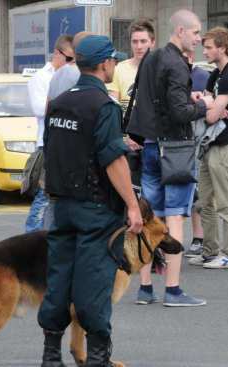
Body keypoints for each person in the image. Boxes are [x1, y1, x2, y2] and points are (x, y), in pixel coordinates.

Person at [37, 35, 141, 367]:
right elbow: (114, 160)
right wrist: (134, 205)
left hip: (62, 206)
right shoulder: (103, 105)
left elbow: (49, 150)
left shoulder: (59, 103)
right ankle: (98, 360)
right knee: (94, 283)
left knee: (59, 280)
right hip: (96, 210)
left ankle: (51, 357)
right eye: (113, 60)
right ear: (105, 63)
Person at [126, 9, 213, 307]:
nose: (199, 39)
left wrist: (188, 98)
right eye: (195, 32)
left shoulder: (151, 57)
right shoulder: (177, 63)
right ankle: (173, 290)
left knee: (151, 217)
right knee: (176, 216)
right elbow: (179, 113)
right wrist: (204, 106)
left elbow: (153, 97)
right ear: (180, 31)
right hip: (174, 149)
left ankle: (145, 288)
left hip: (149, 147)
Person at [187, 27, 228, 269]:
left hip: (226, 148)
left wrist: (208, 107)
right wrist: (208, 105)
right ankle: (210, 251)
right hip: (210, 147)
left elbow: (210, 116)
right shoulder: (216, 74)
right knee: (202, 202)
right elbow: (208, 103)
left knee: (225, 204)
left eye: (209, 47)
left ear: (222, 48)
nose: (205, 51)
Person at [42, 31, 94, 231]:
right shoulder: (80, 75)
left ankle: (46, 246)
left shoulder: (59, 73)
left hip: (56, 147)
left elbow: (48, 112)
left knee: (54, 203)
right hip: (74, 150)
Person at [25, 34, 74, 232]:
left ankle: (47, 238)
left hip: (66, 140)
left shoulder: (72, 74)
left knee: (57, 195)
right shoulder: (41, 77)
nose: (71, 63)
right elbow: (38, 109)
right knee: (46, 193)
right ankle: (33, 234)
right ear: (57, 53)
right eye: (69, 58)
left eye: (74, 59)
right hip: (48, 141)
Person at [107, 18, 155, 151]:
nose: (139, 46)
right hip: (125, 143)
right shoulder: (118, 70)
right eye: (135, 42)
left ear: (152, 42)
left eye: (143, 41)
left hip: (153, 141)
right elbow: (113, 111)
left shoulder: (160, 71)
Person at [183, 50, 210, 258]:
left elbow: (211, 107)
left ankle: (199, 238)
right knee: (184, 191)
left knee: (198, 191)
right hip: (178, 142)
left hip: (198, 142)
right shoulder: (171, 74)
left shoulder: (203, 77)